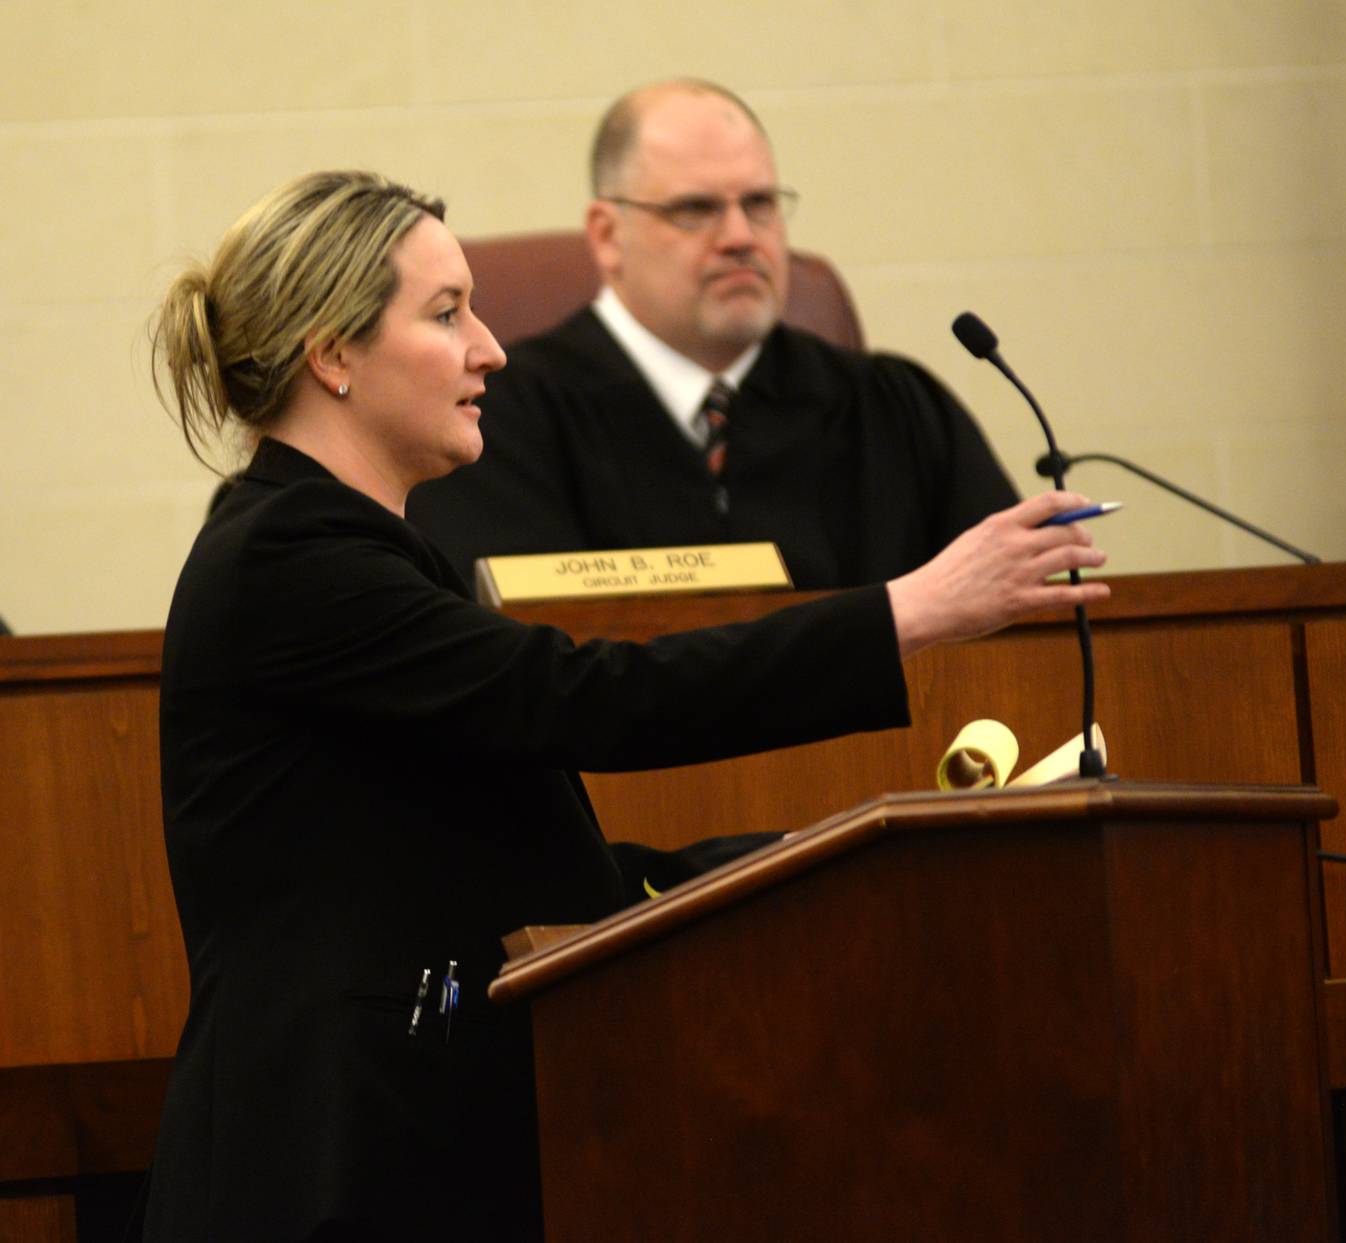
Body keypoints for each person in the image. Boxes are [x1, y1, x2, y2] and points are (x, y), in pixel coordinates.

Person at [145, 169, 1107, 1242]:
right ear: (332, 353)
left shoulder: (350, 550)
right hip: (330, 1159)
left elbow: (495, 856)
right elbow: (587, 698)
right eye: (447, 313)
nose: (491, 350)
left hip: (406, 1128)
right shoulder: (291, 557)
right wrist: (902, 611)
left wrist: (808, 855)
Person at [407, 79, 1018, 590]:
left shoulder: (895, 409)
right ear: (607, 235)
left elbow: (1034, 616)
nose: (739, 237)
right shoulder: (497, 418)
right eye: (695, 209)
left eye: (759, 203)